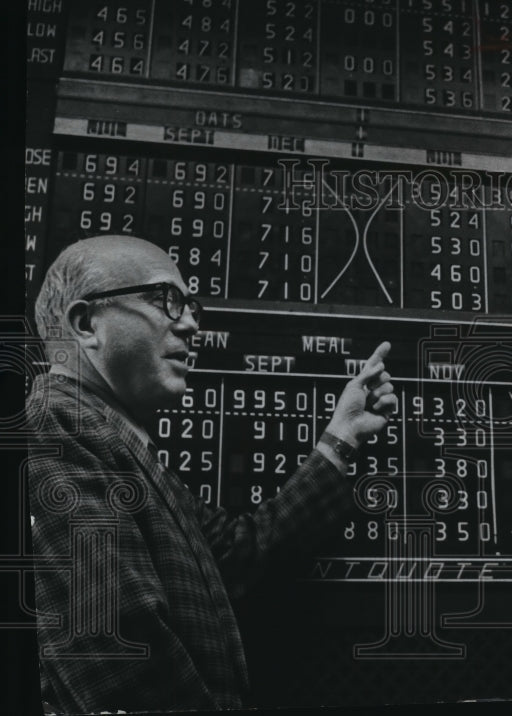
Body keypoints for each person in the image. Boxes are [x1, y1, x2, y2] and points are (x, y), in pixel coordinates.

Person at [27, 235, 398, 714]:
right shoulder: (55, 426)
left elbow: (239, 555)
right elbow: (119, 649)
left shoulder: (116, 442)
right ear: (85, 323)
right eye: (167, 300)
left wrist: (341, 438)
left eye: (192, 308)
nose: (190, 324)